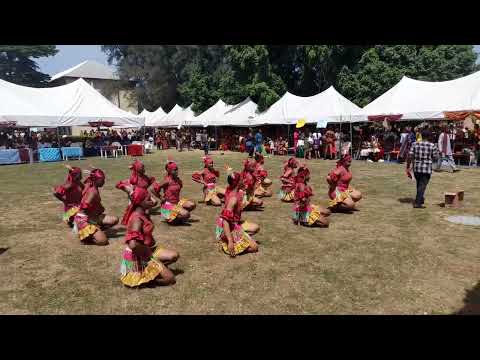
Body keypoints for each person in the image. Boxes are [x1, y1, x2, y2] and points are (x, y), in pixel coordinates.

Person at [120, 187, 179, 287]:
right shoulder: (137, 218)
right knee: (170, 279)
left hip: (147, 250)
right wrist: (147, 255)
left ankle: (155, 269)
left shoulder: (143, 211)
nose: (152, 200)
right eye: (148, 199)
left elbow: (155, 202)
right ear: (140, 202)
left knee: (174, 255)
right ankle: (145, 279)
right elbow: (133, 245)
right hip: (138, 255)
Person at [215, 170, 260, 257]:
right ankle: (227, 244)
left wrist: (253, 185)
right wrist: (231, 241)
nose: (243, 180)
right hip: (226, 225)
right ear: (237, 183)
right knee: (254, 247)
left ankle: (238, 238)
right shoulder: (233, 199)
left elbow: (247, 194)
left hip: (234, 223)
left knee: (256, 228)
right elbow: (225, 221)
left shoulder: (236, 192)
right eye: (241, 179)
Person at [73, 168, 119, 245]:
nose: (104, 182)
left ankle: (96, 230)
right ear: (96, 180)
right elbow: (84, 207)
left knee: (114, 219)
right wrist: (85, 223)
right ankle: (85, 236)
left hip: (93, 217)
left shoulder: (90, 183)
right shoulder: (92, 192)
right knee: (103, 241)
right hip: (84, 220)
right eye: (102, 180)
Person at [406, 129, 440, 209]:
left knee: (419, 184)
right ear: (429, 136)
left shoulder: (414, 144)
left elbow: (410, 156)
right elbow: (436, 158)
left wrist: (408, 166)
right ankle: (417, 203)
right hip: (426, 168)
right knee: (422, 185)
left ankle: (420, 199)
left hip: (416, 168)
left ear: (421, 136)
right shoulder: (432, 146)